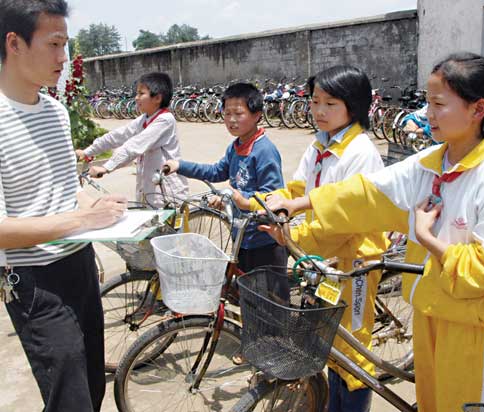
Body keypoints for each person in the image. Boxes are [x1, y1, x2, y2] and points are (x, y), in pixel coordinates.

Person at [260, 52, 484, 412]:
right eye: (427, 102)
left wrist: (428, 238)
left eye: (438, 104)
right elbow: (367, 192)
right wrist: (300, 205)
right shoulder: (429, 164)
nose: (427, 115)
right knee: (433, 402)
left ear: (477, 109)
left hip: (474, 327)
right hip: (429, 309)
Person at [233, 66, 388, 412]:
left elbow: (348, 219)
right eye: (315, 101)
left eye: (330, 103)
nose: (319, 111)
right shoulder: (319, 144)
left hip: (355, 263)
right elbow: (298, 190)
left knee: (354, 350)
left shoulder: (360, 152)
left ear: (353, 106)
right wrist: (268, 202)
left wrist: (294, 234)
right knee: (326, 340)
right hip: (321, 259)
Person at [0, 1, 127, 411]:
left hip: (81, 264)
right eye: (54, 44)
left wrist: (98, 203)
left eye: (66, 45)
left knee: (91, 388)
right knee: (69, 398)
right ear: (14, 43)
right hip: (35, 281)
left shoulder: (55, 112)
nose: (63, 58)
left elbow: (64, 187)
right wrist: (82, 218)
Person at [163, 82, 287, 276]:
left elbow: (273, 195)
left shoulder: (264, 151)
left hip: (264, 239)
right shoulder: (235, 146)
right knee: (246, 293)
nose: (231, 120)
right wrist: (180, 166)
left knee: (268, 299)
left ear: (257, 115)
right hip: (241, 236)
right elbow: (216, 171)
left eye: (238, 114)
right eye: (227, 113)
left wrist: (233, 197)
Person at [75, 72, 189, 208]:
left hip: (167, 193)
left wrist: (106, 167)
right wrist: (87, 152)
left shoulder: (165, 120)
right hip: (150, 191)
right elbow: (117, 136)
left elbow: (134, 146)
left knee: (170, 229)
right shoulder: (144, 119)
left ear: (157, 98)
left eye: (141, 94)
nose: (136, 98)